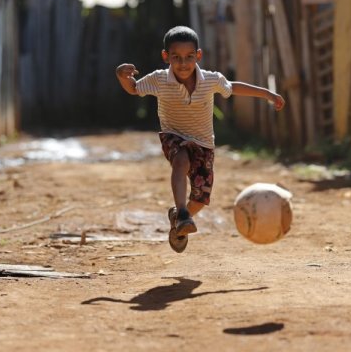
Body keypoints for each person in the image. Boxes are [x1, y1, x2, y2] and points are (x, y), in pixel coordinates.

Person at [116, 25, 285, 253]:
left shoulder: (210, 80)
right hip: (173, 135)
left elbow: (232, 87)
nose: (183, 63)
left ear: (199, 56)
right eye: (176, 57)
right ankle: (182, 211)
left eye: (188, 57)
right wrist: (122, 76)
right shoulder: (158, 80)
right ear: (166, 57)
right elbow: (135, 88)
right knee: (180, 160)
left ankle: (179, 218)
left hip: (204, 143)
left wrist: (267, 93)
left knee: (201, 197)